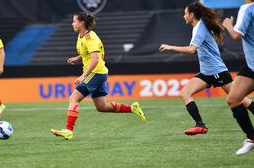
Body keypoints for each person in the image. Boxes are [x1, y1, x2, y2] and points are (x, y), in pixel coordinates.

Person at [159, 1, 254, 135]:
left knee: (240, 100)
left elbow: (192, 50)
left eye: (185, 13)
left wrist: (170, 47)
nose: (183, 16)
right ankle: (200, 125)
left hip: (217, 72)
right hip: (207, 72)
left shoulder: (200, 27)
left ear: (192, 15)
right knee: (185, 93)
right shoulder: (198, 26)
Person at [51, 12, 146, 140]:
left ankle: (68, 130)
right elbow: (89, 53)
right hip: (99, 73)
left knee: (74, 98)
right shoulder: (81, 36)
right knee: (102, 106)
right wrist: (78, 58)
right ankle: (132, 108)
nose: (72, 23)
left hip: (96, 72)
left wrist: (83, 76)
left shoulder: (91, 38)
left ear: (82, 23)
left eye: (74, 21)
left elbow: (95, 60)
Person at [223, 0, 254, 155]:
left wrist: (228, 24)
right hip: (251, 65)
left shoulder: (247, 8)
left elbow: (236, 35)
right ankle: (252, 137)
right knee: (234, 99)